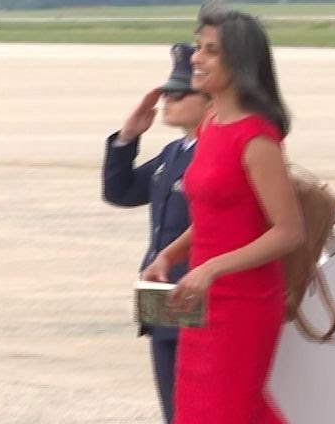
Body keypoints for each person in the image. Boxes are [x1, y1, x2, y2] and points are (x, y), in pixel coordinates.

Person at [140, 6, 304, 424]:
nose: (196, 58)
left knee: (222, 413)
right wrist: (169, 255)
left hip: (243, 305)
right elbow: (214, 217)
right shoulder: (211, 122)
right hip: (202, 300)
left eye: (210, 50)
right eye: (198, 47)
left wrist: (212, 268)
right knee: (215, 412)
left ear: (239, 61)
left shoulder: (255, 137)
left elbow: (288, 232)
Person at [102, 43, 211, 424]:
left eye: (178, 93)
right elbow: (121, 191)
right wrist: (127, 138)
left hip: (197, 296)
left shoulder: (216, 152)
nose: (168, 100)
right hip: (163, 299)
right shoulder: (174, 153)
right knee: (175, 410)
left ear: (209, 99)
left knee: (199, 407)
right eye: (166, 92)